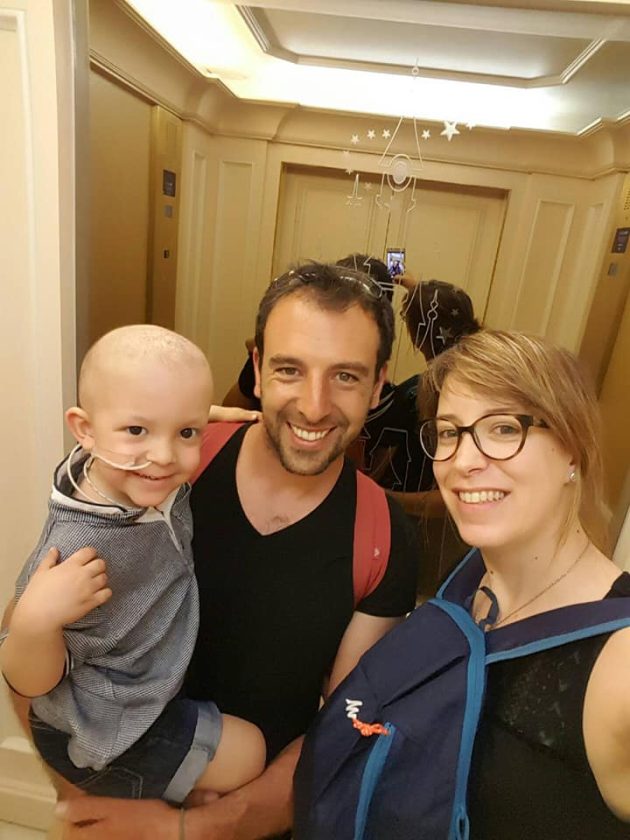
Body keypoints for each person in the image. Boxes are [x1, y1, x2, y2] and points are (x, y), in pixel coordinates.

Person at [30, 263, 418, 839]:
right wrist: (80, 795)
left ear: (380, 384)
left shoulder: (383, 535)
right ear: (257, 368)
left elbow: (346, 727)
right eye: (289, 369)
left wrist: (192, 828)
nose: (314, 406)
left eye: (345, 376)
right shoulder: (167, 467)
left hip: (254, 822)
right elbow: (30, 630)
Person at [294, 330, 630, 838]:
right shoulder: (469, 582)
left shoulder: (618, 663)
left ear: (572, 449)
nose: (463, 461)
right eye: (450, 433)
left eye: (503, 429)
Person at [0, 325, 266, 804]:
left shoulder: (117, 466)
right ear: (85, 430)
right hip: (105, 726)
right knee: (251, 752)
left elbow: (156, 417)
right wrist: (35, 622)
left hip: (145, 675)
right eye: (137, 431)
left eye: (186, 432)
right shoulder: (83, 549)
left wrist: (204, 416)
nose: (163, 457)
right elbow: (29, 681)